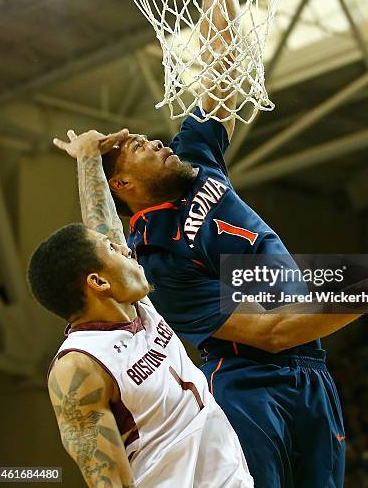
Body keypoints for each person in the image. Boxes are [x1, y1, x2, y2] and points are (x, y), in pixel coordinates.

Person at [53, 0, 368, 488]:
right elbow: (273, 331)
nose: (156, 142)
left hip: (311, 370)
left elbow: (220, 71)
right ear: (122, 183)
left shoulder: (196, 161)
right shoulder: (157, 259)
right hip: (248, 382)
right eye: (141, 146)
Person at [29, 130, 253, 488]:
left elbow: (102, 224)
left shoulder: (136, 305)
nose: (127, 249)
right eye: (114, 250)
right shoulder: (79, 366)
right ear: (99, 283)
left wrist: (88, 158)